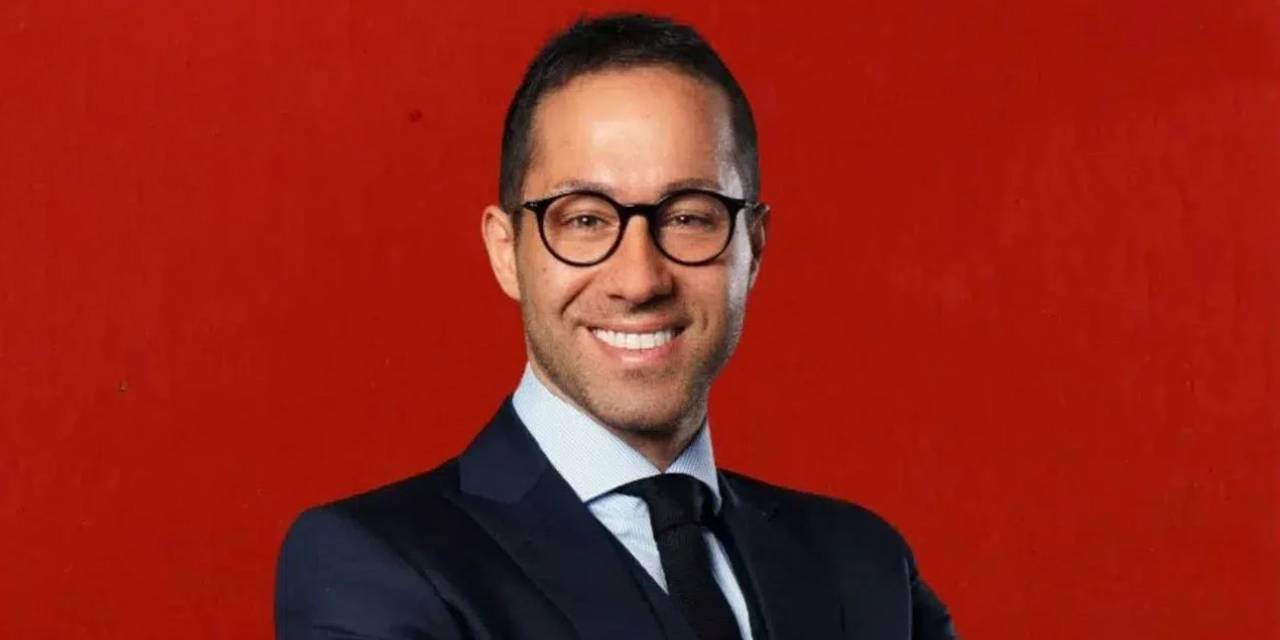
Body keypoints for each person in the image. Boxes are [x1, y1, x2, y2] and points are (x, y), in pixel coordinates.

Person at [275, 12, 957, 640]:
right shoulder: (372, 567)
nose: (639, 280)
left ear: (753, 248)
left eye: (688, 217)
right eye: (584, 220)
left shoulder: (865, 567)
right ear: (506, 252)